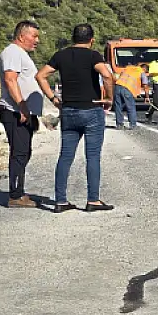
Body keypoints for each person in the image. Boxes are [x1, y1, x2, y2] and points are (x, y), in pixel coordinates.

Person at [36, 24, 116, 213]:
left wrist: (54, 99)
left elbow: (40, 75)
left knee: (65, 156)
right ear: (92, 40)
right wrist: (109, 98)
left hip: (69, 110)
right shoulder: (93, 56)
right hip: (91, 109)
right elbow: (107, 75)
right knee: (93, 156)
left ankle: (61, 201)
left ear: (73, 38)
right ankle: (93, 200)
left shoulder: (61, 55)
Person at [0, 21, 43, 208]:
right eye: (34, 36)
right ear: (22, 36)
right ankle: (15, 195)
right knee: (19, 152)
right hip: (14, 111)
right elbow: (10, 79)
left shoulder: (20, 54)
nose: (37, 40)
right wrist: (22, 105)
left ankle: (19, 192)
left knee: (24, 152)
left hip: (22, 112)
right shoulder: (12, 52)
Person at [112, 55, 142, 130]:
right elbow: (145, 84)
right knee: (130, 107)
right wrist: (147, 96)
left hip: (118, 86)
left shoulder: (126, 69)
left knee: (118, 106)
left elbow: (120, 77)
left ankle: (119, 125)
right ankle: (133, 125)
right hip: (127, 89)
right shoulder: (141, 71)